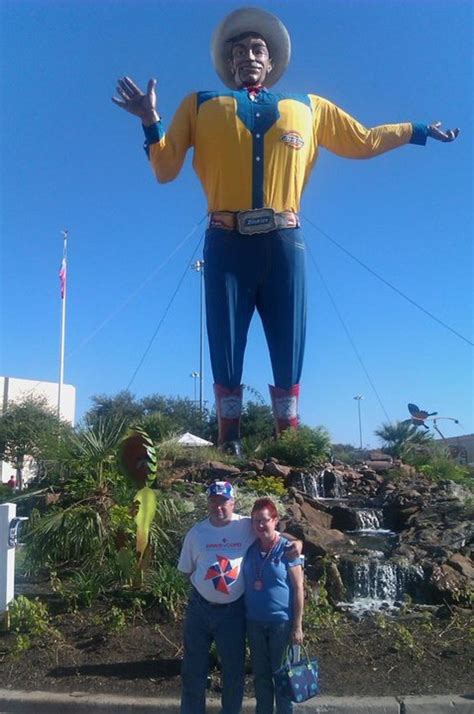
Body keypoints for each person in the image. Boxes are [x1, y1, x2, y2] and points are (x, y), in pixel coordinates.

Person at [112, 7, 459, 455]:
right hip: (225, 236)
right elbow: (164, 168)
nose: (248, 56)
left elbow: (363, 140)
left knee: (288, 335)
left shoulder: (309, 107)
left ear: (271, 61)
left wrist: (416, 130)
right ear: (229, 63)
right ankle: (229, 437)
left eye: (257, 49)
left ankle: (288, 438)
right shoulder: (197, 104)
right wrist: (149, 119)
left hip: (284, 238)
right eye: (238, 51)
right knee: (225, 336)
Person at [177, 481, 301, 714]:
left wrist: (297, 542)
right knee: (193, 669)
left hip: (233, 613)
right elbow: (187, 571)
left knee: (233, 672)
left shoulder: (245, 525)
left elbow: (271, 530)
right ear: (208, 503)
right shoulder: (196, 533)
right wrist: (206, 590)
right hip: (199, 610)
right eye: (214, 501)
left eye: (224, 502)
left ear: (233, 503)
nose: (219, 507)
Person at [244, 498, 304, 714]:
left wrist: (297, 626)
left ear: (275, 520)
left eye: (265, 520)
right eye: (256, 521)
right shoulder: (250, 549)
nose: (260, 525)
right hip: (255, 622)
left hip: (281, 623)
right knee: (261, 677)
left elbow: (298, 589)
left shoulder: (287, 550)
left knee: (281, 676)